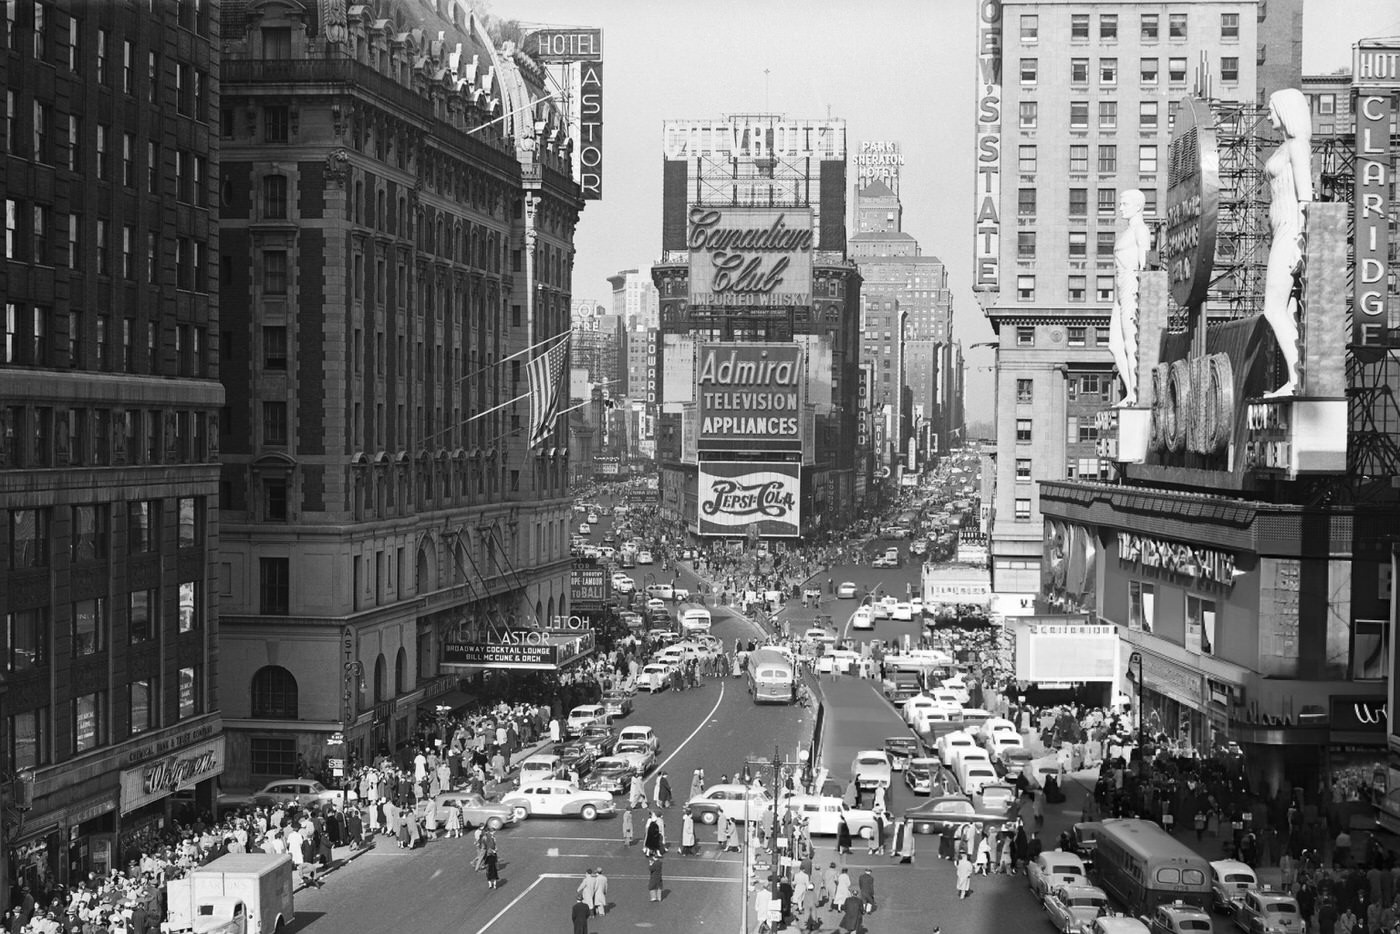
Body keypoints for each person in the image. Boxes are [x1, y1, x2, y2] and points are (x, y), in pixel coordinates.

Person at [1260, 87, 1314, 398]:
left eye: (1272, 109)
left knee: (1273, 309)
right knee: (1286, 308)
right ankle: (1296, 378)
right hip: (1281, 230)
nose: (1268, 115)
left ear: (1285, 110)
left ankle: (1298, 378)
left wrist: (1303, 243)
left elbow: (1306, 197)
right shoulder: (1286, 147)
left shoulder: (1297, 145)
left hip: (1292, 230)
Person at [1109, 188, 1152, 407]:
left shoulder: (1141, 230)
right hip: (1118, 290)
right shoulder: (1128, 231)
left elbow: (1145, 262)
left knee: (1130, 341)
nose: (1120, 208)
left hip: (1131, 285)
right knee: (1114, 345)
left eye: (1124, 204)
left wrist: (1141, 293)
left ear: (1137, 206)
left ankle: (1135, 394)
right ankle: (1130, 392)